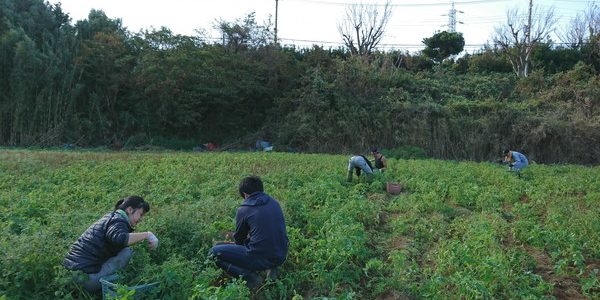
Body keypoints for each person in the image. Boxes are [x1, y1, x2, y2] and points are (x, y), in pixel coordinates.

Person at [63, 196, 158, 292]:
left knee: (121, 250)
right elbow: (119, 239)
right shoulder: (118, 220)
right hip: (85, 280)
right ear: (129, 210)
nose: (141, 219)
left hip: (67, 275)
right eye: (140, 214)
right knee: (126, 252)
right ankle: (116, 285)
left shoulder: (111, 217)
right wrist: (147, 235)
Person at [209, 176, 288, 289]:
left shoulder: (244, 209)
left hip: (260, 256)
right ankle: (271, 267)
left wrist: (227, 243)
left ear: (245, 194)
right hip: (281, 254)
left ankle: (250, 277)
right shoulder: (274, 202)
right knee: (262, 244)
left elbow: (239, 240)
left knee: (213, 252)